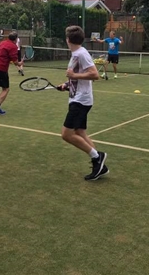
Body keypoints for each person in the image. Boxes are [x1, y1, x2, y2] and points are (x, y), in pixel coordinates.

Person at [58, 25, 108, 181]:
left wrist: (73, 75)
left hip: (81, 100)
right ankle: (100, 166)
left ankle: (97, 156)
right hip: (77, 97)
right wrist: (67, 84)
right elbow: (79, 76)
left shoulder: (81, 54)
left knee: (66, 134)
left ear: (67, 40)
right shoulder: (76, 54)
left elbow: (95, 75)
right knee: (80, 133)